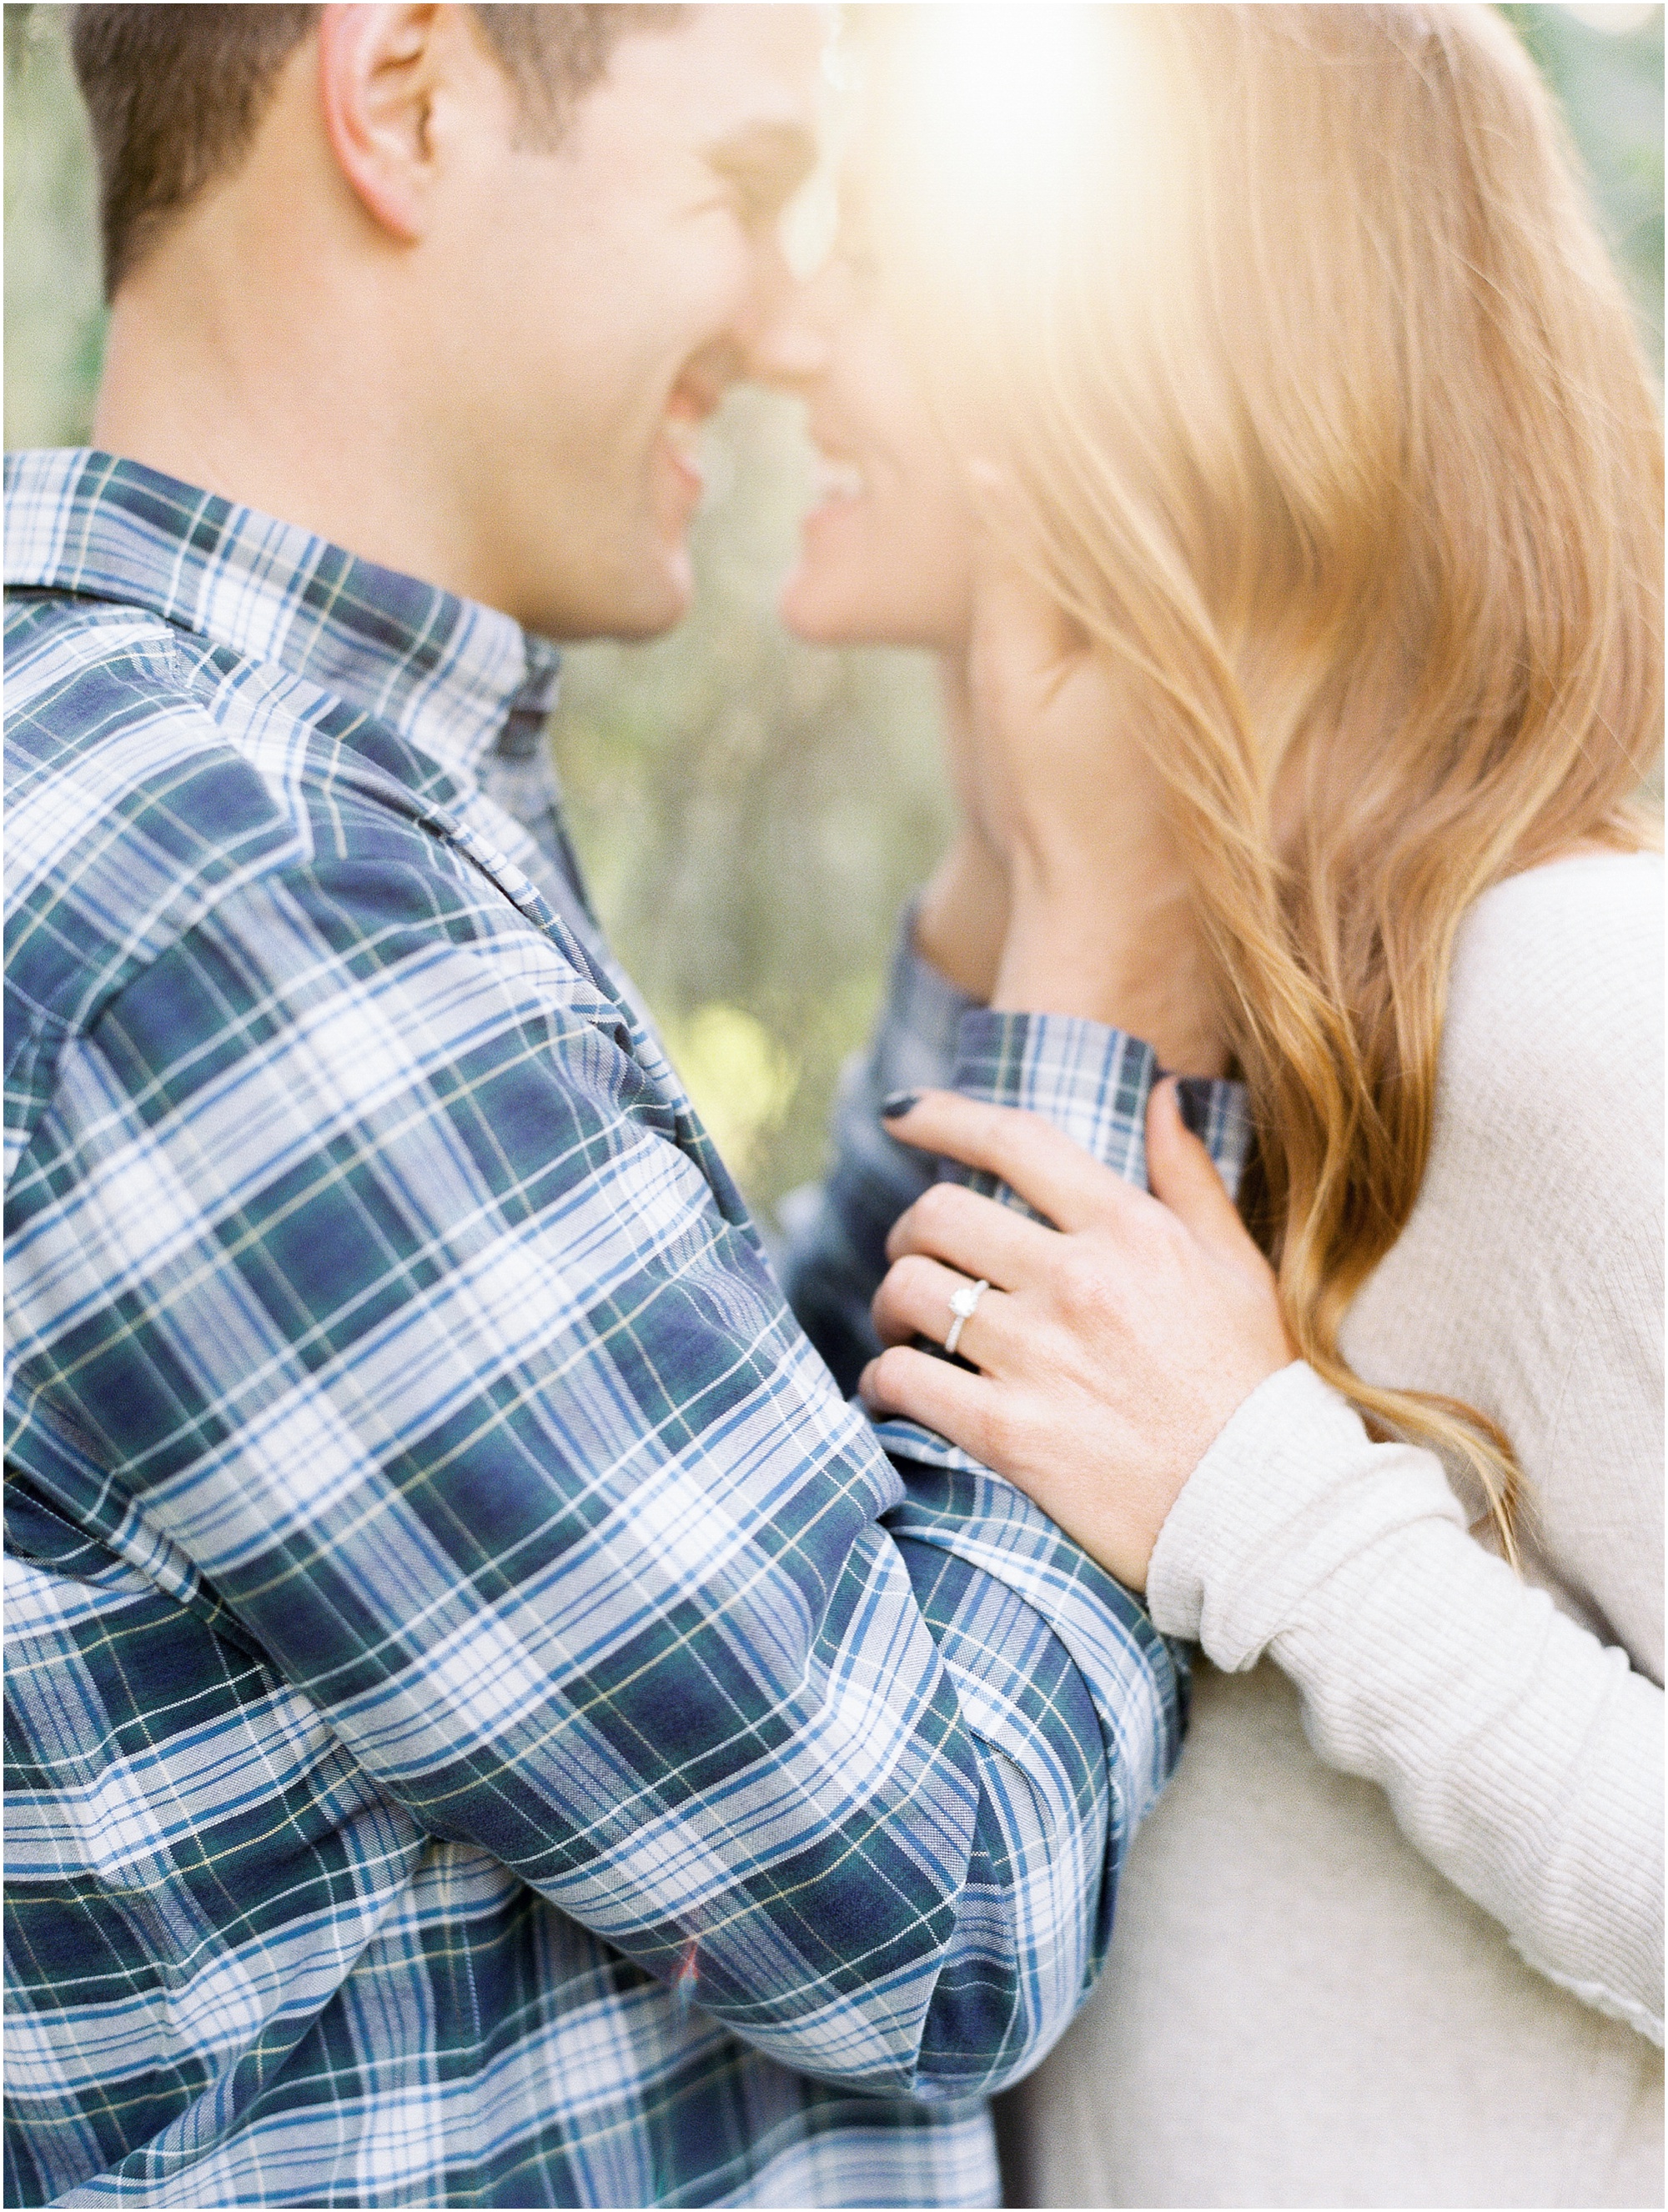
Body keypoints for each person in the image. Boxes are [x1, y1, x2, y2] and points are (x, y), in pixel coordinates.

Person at [3, 8, 1254, 2207]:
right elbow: (930, 1892)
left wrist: (991, 928)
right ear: (401, 99)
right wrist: (1112, 1009)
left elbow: (693, 1526)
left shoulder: (232, 794)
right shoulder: (239, 894)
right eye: (745, 190)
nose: (792, 331)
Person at [755, 6, 1663, 2205]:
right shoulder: (1168, 1014)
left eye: (875, 262)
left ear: (1122, 362)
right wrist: (1012, 890)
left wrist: (1271, 1507)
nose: (792, 337)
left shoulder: (1553, 1008)